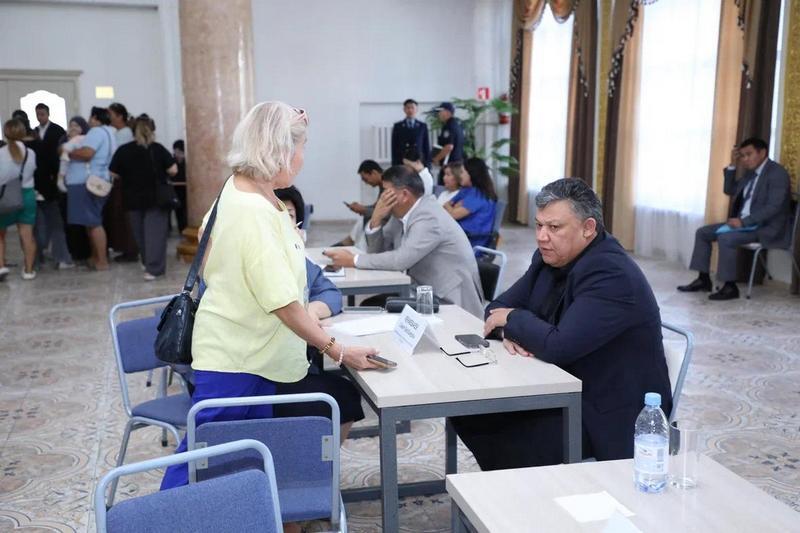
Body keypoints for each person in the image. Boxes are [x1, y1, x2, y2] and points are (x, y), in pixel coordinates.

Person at [160, 103, 381, 520]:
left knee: (243, 460)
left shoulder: (241, 191)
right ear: (279, 151)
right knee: (201, 460)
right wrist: (338, 350)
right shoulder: (254, 212)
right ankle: (162, 523)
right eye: (301, 148)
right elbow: (284, 305)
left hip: (255, 357)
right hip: (237, 360)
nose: (302, 159)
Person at [450, 178, 672, 471]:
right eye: (539, 225)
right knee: (468, 412)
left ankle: (526, 493)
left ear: (588, 228)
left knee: (493, 424)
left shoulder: (611, 274)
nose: (542, 237)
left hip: (606, 411)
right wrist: (510, 327)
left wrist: (513, 320)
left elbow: (558, 345)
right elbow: (495, 309)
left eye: (554, 227)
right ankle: (514, 487)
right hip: (561, 386)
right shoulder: (549, 258)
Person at [324, 165, 484, 317]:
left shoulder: (428, 217)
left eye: (386, 192)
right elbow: (377, 252)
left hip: (449, 301)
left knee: (372, 307)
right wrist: (376, 219)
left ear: (405, 195)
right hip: (423, 291)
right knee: (370, 305)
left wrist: (353, 260)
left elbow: (400, 260)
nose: (381, 198)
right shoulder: (401, 214)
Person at [678, 137, 792, 300]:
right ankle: (703, 280)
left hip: (764, 227)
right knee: (703, 233)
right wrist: (732, 164)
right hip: (743, 224)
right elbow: (729, 189)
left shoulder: (777, 173)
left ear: (762, 153)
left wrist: (744, 222)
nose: (745, 159)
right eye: (742, 156)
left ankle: (730, 287)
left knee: (726, 238)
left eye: (749, 154)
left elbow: (773, 207)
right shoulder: (750, 173)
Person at [109, 114, 177, 280]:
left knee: (140, 235)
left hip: (132, 199)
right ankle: (153, 269)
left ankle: (147, 263)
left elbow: (113, 172)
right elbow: (173, 170)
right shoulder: (157, 149)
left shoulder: (124, 150)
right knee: (155, 235)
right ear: (152, 130)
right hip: (156, 199)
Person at [66, 106, 117, 270]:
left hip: (89, 181)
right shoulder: (110, 132)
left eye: (90, 117)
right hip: (102, 179)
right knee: (91, 221)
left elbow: (87, 153)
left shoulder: (96, 132)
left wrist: (69, 153)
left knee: (93, 222)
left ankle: (101, 260)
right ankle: (96, 257)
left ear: (95, 118)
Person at [31, 103, 72, 270]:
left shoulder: (57, 130)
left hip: (52, 179)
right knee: (41, 224)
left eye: (42, 114)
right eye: (37, 114)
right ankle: (41, 256)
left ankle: (56, 255)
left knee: (54, 221)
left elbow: (58, 156)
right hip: (38, 180)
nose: (40, 117)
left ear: (48, 114)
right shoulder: (34, 132)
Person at [0, 119, 38, 280]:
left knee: (1, 235)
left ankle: (1, 266)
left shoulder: (1, 153)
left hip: (5, 196)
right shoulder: (31, 153)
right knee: (27, 236)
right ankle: (28, 270)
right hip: (27, 195)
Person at [105, 102, 139, 262]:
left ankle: (129, 249)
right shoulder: (117, 133)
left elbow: (119, 159)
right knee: (118, 216)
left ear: (119, 116)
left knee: (124, 216)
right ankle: (125, 248)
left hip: (123, 180)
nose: (109, 118)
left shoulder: (124, 133)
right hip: (119, 179)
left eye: (111, 114)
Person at [58, 117, 92, 263]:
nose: (73, 128)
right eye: (71, 125)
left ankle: (85, 252)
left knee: (83, 220)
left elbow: (66, 157)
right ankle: (80, 251)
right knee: (77, 220)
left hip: (81, 182)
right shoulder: (66, 141)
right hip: (74, 183)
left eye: (76, 125)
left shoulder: (83, 141)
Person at [443, 157, 497, 249]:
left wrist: (451, 207)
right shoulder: (466, 190)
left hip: (471, 240)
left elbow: (453, 214)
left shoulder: (479, 195)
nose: (460, 176)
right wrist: (452, 207)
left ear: (471, 174)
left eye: (462, 172)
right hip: (458, 235)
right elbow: (447, 205)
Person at [334, 159, 384, 247]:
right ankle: (346, 243)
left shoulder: (388, 184)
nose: (366, 183)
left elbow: (385, 213)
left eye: (366, 179)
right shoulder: (382, 185)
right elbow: (377, 207)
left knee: (363, 224)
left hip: (388, 222)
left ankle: (350, 244)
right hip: (383, 219)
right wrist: (361, 208)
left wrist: (363, 210)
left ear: (374, 173)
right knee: (361, 223)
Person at [391, 98, 431, 167]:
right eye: (408, 108)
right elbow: (394, 147)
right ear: (404, 109)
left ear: (416, 109)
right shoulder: (398, 126)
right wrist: (395, 164)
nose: (410, 110)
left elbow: (426, 146)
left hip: (418, 160)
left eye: (412, 108)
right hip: (403, 160)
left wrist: (427, 163)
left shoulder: (422, 126)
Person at [431, 102, 465, 182]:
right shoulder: (458, 125)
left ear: (448, 112)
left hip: (450, 166)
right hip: (457, 165)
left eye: (440, 111)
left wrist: (436, 159)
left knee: (446, 186)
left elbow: (449, 147)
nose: (439, 114)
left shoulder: (449, 127)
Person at [172, 139, 188, 232]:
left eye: (179, 152)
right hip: (176, 190)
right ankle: (181, 230)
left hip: (186, 190)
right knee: (178, 210)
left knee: (186, 210)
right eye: (175, 151)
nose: (177, 154)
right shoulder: (172, 161)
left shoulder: (188, 161)